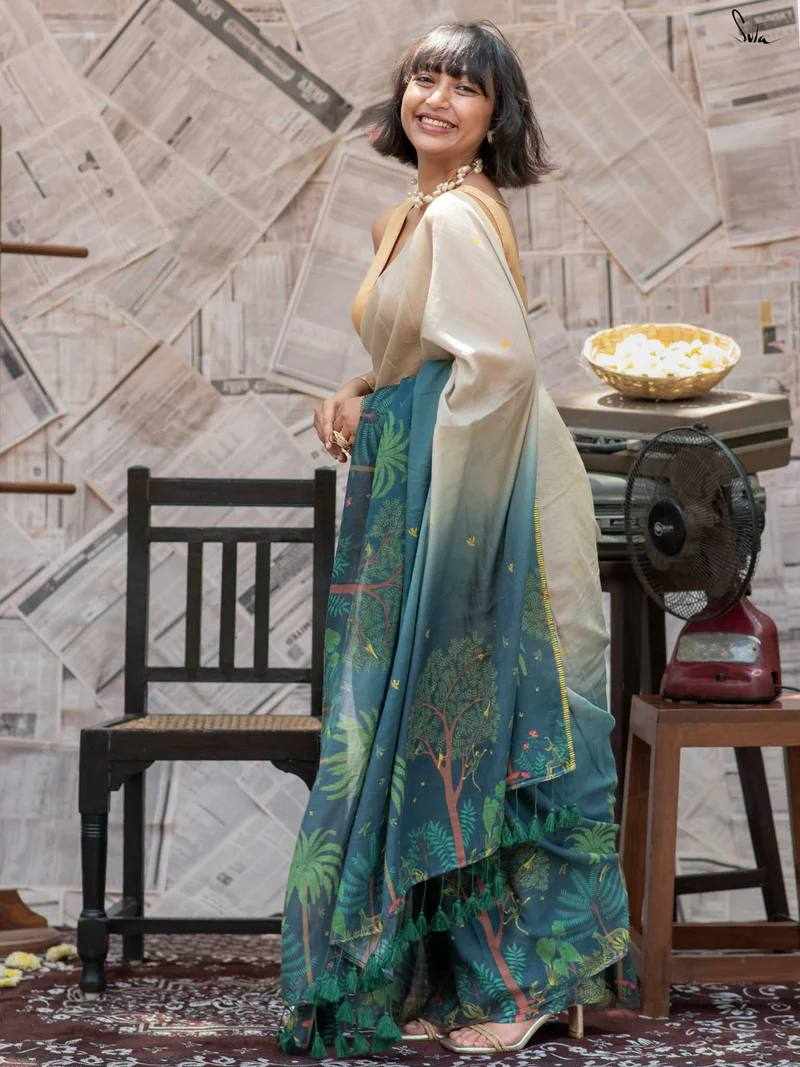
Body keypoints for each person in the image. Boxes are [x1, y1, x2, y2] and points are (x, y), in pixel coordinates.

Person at [278, 20, 638, 1059]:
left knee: (504, 720)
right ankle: (468, 969)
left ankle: (529, 981)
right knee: (444, 733)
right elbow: (426, 352)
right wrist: (360, 385)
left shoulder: (457, 216)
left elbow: (500, 371)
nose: (435, 98)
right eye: (423, 78)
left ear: (495, 115)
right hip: (434, 475)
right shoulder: (411, 213)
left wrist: (431, 491)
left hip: (478, 492)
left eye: (463, 86)